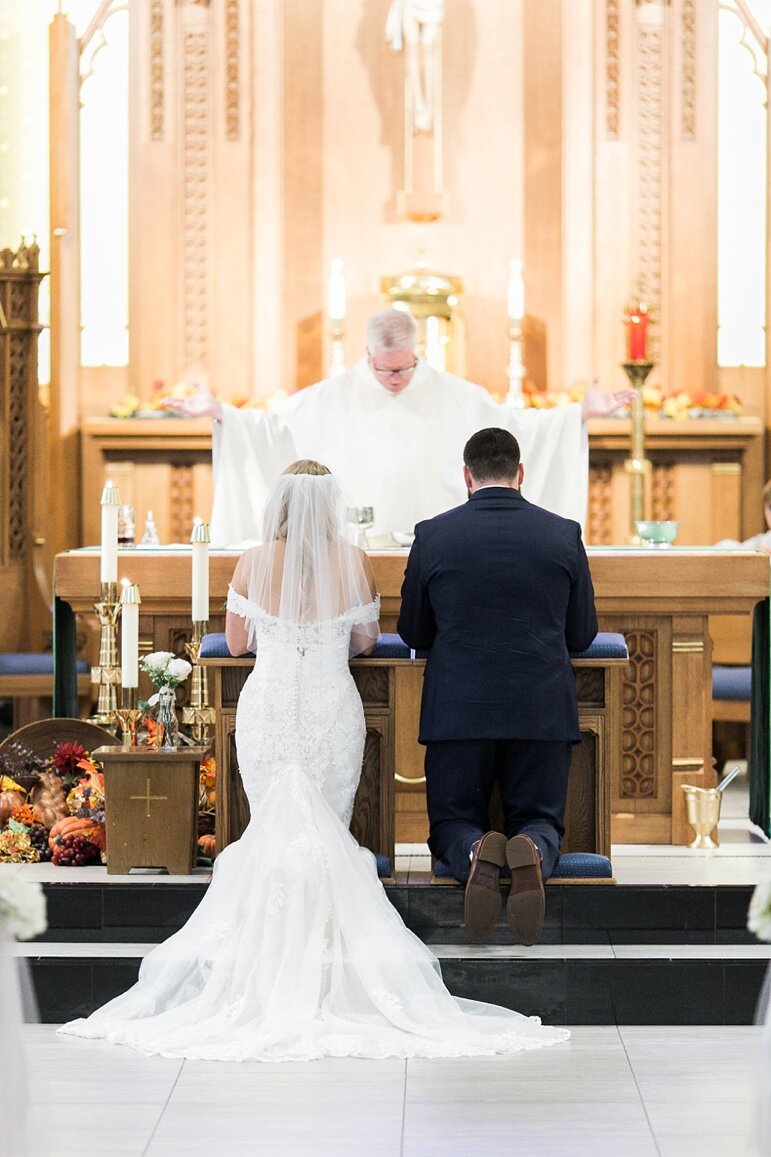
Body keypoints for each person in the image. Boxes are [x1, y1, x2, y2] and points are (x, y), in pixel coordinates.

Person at [58, 459, 569, 1060]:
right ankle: (326, 956)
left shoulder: (252, 560)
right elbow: (365, 642)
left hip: (270, 707)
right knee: (322, 826)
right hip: (330, 707)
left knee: (273, 824)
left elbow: (240, 643)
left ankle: (264, 962)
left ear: (280, 505)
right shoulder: (352, 561)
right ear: (330, 507)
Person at [165, 309, 633, 546]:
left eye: (405, 368)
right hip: (350, 560)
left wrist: (578, 415)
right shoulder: (331, 395)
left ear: (417, 353)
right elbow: (272, 432)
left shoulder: (456, 394)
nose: (396, 380)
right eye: (386, 370)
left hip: (443, 555)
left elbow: (517, 429)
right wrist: (222, 413)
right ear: (367, 356)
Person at [397, 428, 598, 947]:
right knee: (541, 818)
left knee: (449, 822)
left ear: (466, 476)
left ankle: (473, 850)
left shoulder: (433, 534)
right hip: (542, 710)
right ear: (520, 473)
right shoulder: (563, 534)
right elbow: (582, 633)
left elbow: (413, 632)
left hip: (458, 712)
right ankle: (530, 847)